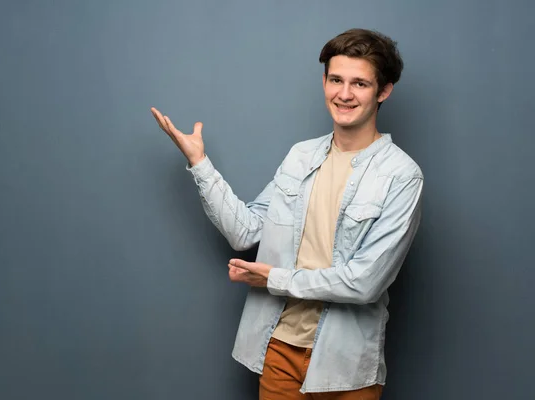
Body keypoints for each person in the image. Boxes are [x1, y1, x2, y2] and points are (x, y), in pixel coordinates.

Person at [151, 28, 423, 400]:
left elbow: (364, 283)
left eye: (359, 83)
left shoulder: (402, 175)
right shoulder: (301, 156)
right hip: (278, 350)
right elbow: (245, 232)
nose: (344, 94)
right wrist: (199, 163)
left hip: (345, 365)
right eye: (336, 80)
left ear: (384, 90)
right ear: (324, 82)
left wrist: (276, 278)